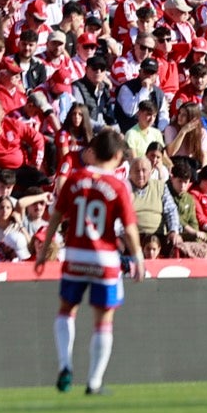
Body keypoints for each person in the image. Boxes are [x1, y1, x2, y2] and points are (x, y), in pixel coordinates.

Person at [32, 127, 146, 396]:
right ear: (117, 156)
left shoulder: (75, 179)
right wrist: (138, 257)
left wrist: (44, 251)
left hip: (75, 253)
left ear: (93, 152)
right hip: (104, 258)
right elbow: (130, 229)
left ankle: (65, 365)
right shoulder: (118, 186)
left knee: (66, 310)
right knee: (103, 320)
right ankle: (94, 382)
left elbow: (56, 216)